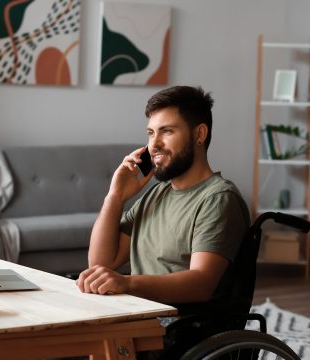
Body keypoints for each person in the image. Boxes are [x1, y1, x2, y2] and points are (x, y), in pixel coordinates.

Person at [76, 86, 250, 352]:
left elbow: (201, 283)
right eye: (150, 133)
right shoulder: (155, 194)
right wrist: (115, 196)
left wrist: (126, 283)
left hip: (180, 330)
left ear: (199, 134)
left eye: (167, 131)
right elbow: (101, 262)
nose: (153, 144)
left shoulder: (218, 198)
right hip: (138, 317)